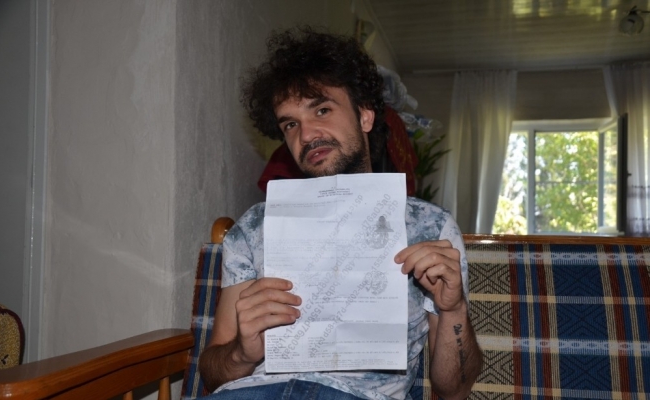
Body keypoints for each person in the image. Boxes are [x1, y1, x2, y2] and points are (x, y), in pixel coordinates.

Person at [198, 27, 483, 400]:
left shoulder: (429, 226)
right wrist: (242, 352)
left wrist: (453, 308)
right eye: (290, 124)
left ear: (364, 116)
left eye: (322, 110)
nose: (306, 134)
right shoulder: (254, 227)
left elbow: (454, 391)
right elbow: (213, 376)